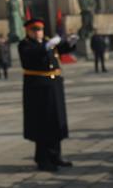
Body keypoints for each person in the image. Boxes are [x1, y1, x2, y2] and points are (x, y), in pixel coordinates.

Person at [18, 18, 73, 172]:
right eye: (35, 30)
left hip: (54, 85)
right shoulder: (25, 44)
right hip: (38, 88)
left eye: (40, 29)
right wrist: (46, 46)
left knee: (56, 120)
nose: (38, 32)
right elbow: (31, 57)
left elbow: (63, 50)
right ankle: (43, 159)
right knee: (42, 124)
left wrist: (70, 42)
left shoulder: (48, 42)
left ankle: (56, 155)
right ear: (28, 31)